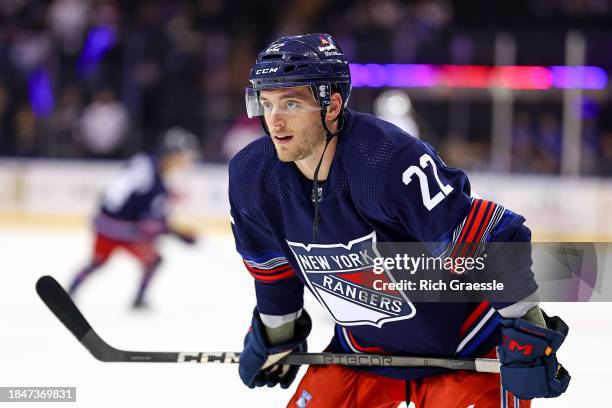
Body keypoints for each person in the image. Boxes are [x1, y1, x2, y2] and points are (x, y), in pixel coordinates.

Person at [229, 34, 570, 407]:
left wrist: (527, 332)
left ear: (332, 105)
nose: (274, 121)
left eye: (291, 103)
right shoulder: (252, 177)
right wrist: (278, 333)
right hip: (363, 352)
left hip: (467, 350)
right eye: (266, 103)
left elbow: (494, 239)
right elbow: (272, 268)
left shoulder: (386, 161)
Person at [68, 127, 199, 308]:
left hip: (114, 226)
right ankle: (138, 299)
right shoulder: (145, 167)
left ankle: (70, 292)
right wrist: (175, 232)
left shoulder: (157, 175)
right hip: (118, 227)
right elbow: (117, 197)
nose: (184, 162)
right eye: (182, 157)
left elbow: (153, 216)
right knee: (152, 260)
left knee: (98, 262)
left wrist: (170, 230)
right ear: (172, 153)